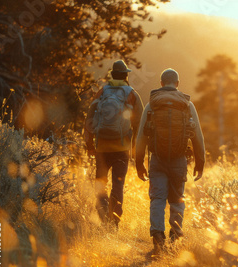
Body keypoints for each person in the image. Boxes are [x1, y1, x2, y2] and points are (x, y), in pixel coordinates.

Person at [136, 68, 205, 255]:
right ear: (177, 83)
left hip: (157, 159)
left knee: (157, 198)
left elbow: (141, 136)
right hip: (179, 159)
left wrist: (139, 163)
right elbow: (197, 135)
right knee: (176, 199)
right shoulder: (187, 104)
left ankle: (158, 236)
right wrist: (200, 162)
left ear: (161, 83)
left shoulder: (152, 104)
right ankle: (175, 235)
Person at [84, 60, 144, 231]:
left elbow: (89, 119)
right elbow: (139, 124)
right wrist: (135, 150)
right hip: (121, 148)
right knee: (118, 185)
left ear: (111, 75)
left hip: (101, 148)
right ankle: (114, 221)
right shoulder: (132, 93)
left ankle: (103, 219)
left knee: (100, 184)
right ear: (126, 75)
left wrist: (89, 144)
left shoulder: (102, 92)